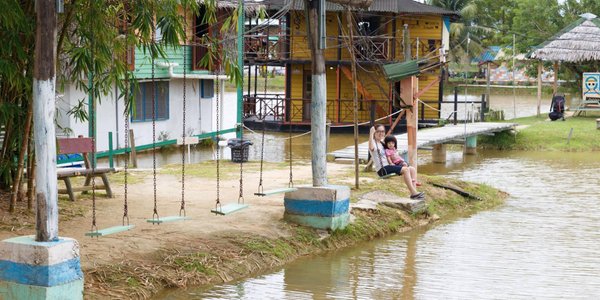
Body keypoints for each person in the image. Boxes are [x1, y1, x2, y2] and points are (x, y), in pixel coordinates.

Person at [369, 125, 424, 199]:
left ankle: (414, 192)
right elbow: (371, 147)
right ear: (375, 132)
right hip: (382, 169)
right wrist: (371, 133)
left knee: (412, 169)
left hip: (389, 166)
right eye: (378, 131)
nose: (380, 133)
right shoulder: (373, 143)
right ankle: (414, 193)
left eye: (382, 131)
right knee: (406, 169)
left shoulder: (382, 144)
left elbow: (390, 149)